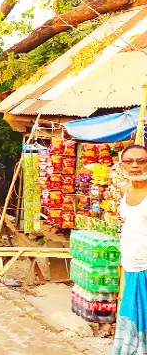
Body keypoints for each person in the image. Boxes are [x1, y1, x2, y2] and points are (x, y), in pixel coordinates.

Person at [113, 144, 147, 354]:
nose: (135, 165)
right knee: (132, 316)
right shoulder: (125, 190)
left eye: (141, 161)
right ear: (122, 164)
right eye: (129, 161)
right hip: (130, 266)